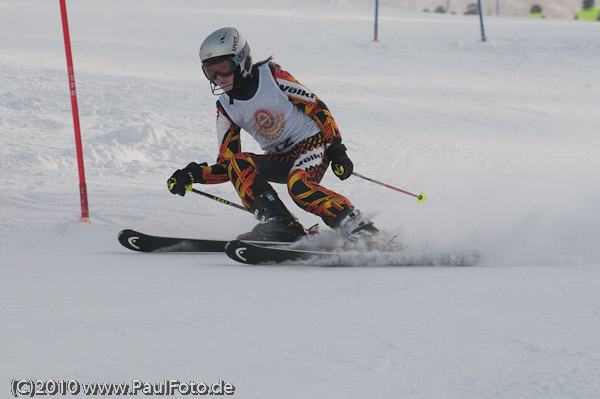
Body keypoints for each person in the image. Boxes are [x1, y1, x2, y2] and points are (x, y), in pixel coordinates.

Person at [167, 27, 386, 247]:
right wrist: (194, 174)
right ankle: (281, 224)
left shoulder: (271, 77)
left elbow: (317, 108)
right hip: (280, 157)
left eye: (223, 68)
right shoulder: (226, 107)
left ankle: (362, 229)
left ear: (241, 60)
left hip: (311, 143)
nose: (218, 78)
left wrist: (336, 149)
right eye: (210, 72)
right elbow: (227, 166)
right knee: (239, 163)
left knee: (299, 187)